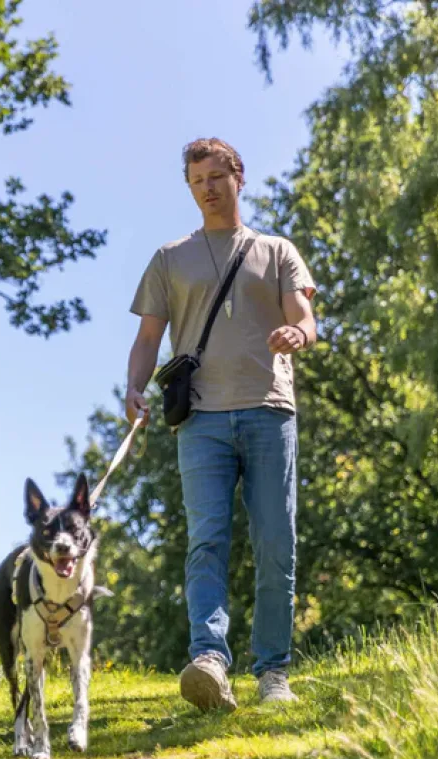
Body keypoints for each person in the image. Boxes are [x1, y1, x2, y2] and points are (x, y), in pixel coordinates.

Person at [124, 137, 317, 711]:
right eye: (196, 181)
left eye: (215, 176)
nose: (206, 188)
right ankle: (209, 660)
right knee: (206, 541)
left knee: (275, 541)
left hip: (268, 409)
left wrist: (297, 334)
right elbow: (147, 339)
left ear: (238, 177)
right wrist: (134, 388)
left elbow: (305, 317)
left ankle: (273, 673)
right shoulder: (169, 257)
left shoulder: (277, 250)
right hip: (200, 419)